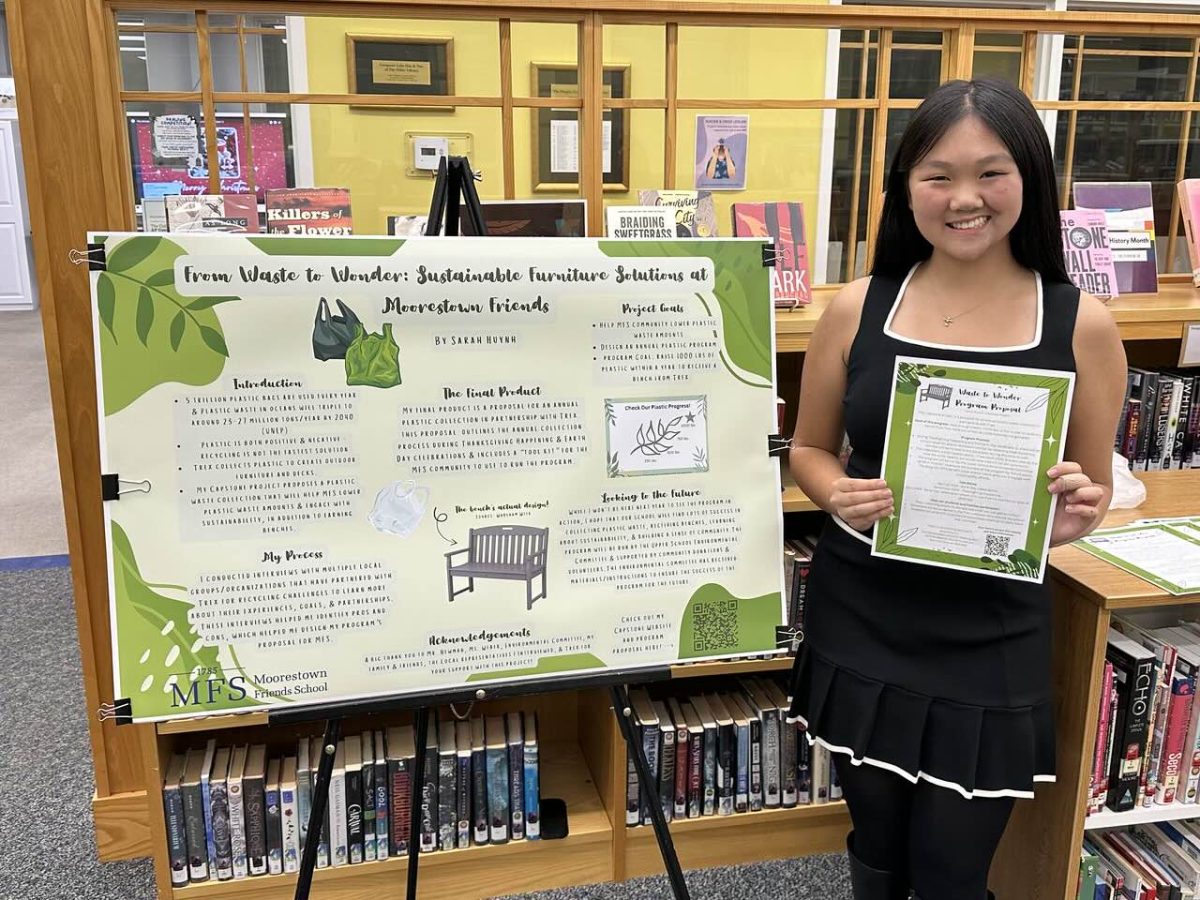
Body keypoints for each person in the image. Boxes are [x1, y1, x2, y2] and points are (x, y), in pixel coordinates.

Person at [785, 78, 1126, 900]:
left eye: (991, 172)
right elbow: (809, 450)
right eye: (938, 175)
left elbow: (1090, 493)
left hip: (989, 631)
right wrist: (836, 495)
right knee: (877, 841)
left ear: (1031, 181)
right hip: (864, 608)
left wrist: (1080, 510)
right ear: (906, 188)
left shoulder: (1079, 322)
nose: (963, 198)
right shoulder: (859, 307)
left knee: (950, 867)